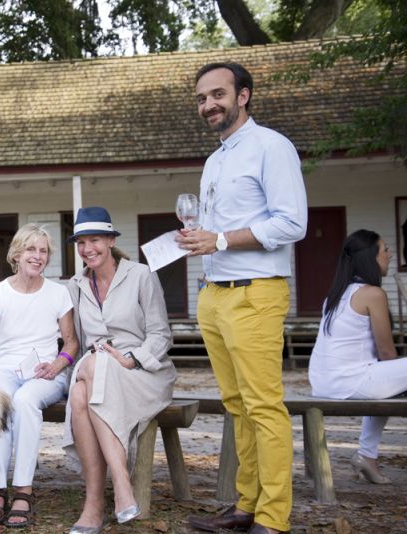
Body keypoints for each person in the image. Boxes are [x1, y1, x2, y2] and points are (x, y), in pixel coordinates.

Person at [176, 62, 308, 534]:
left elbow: (293, 223)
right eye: (201, 98)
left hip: (255, 294)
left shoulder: (272, 147)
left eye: (217, 94)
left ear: (243, 95)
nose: (208, 104)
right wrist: (200, 240)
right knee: (237, 406)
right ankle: (246, 506)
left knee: (264, 407)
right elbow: (215, 232)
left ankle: (272, 519)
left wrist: (223, 240)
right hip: (214, 297)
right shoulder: (215, 160)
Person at [63, 206, 175, 534]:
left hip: (142, 372)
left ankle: (96, 501)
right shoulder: (75, 284)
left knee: (85, 391)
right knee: (92, 370)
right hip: (95, 366)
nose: (87, 249)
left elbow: (161, 334)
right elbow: (79, 341)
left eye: (95, 240)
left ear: (111, 240)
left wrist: (133, 359)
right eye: (81, 243)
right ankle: (119, 489)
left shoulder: (141, 275)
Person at [0, 222, 78, 529]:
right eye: (31, 249)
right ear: (17, 254)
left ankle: (23, 489)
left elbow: (72, 342)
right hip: (4, 368)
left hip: (46, 372)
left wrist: (57, 365)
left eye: (43, 251)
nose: (37, 256)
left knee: (24, 401)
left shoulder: (57, 293)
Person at [309, 229, 406, 484]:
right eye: (385, 250)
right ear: (370, 257)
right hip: (349, 380)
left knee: (389, 387)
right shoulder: (372, 294)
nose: (390, 255)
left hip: (323, 381)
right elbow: (386, 352)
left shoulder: (336, 294)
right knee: (392, 382)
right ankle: (366, 454)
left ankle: (367, 456)